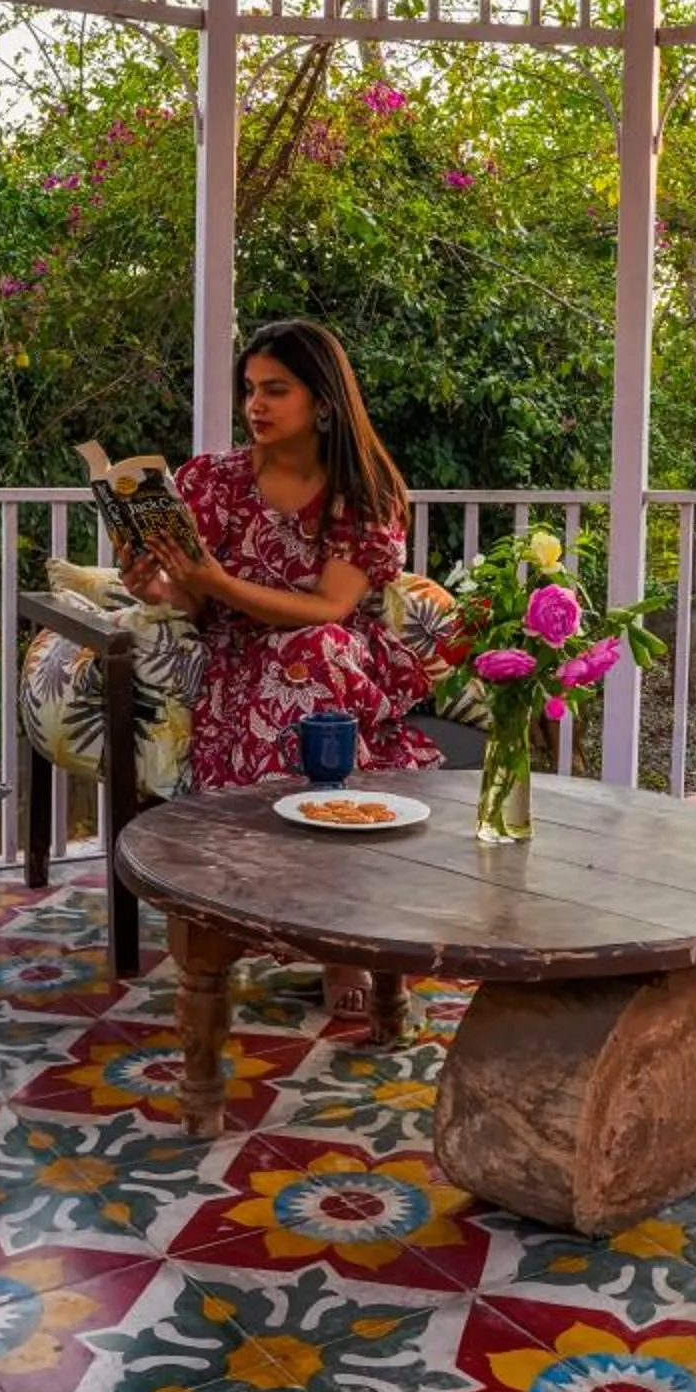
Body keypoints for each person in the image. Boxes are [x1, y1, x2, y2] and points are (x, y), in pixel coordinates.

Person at [125, 320, 442, 1017]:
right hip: (239, 659)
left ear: (322, 401)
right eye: (249, 390)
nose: (255, 406)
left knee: (312, 654)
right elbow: (191, 600)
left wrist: (213, 579)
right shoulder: (209, 482)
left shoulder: (364, 491)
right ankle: (312, 924)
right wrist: (154, 584)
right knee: (290, 668)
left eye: (276, 390)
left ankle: (336, 934)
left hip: (339, 661)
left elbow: (331, 607)